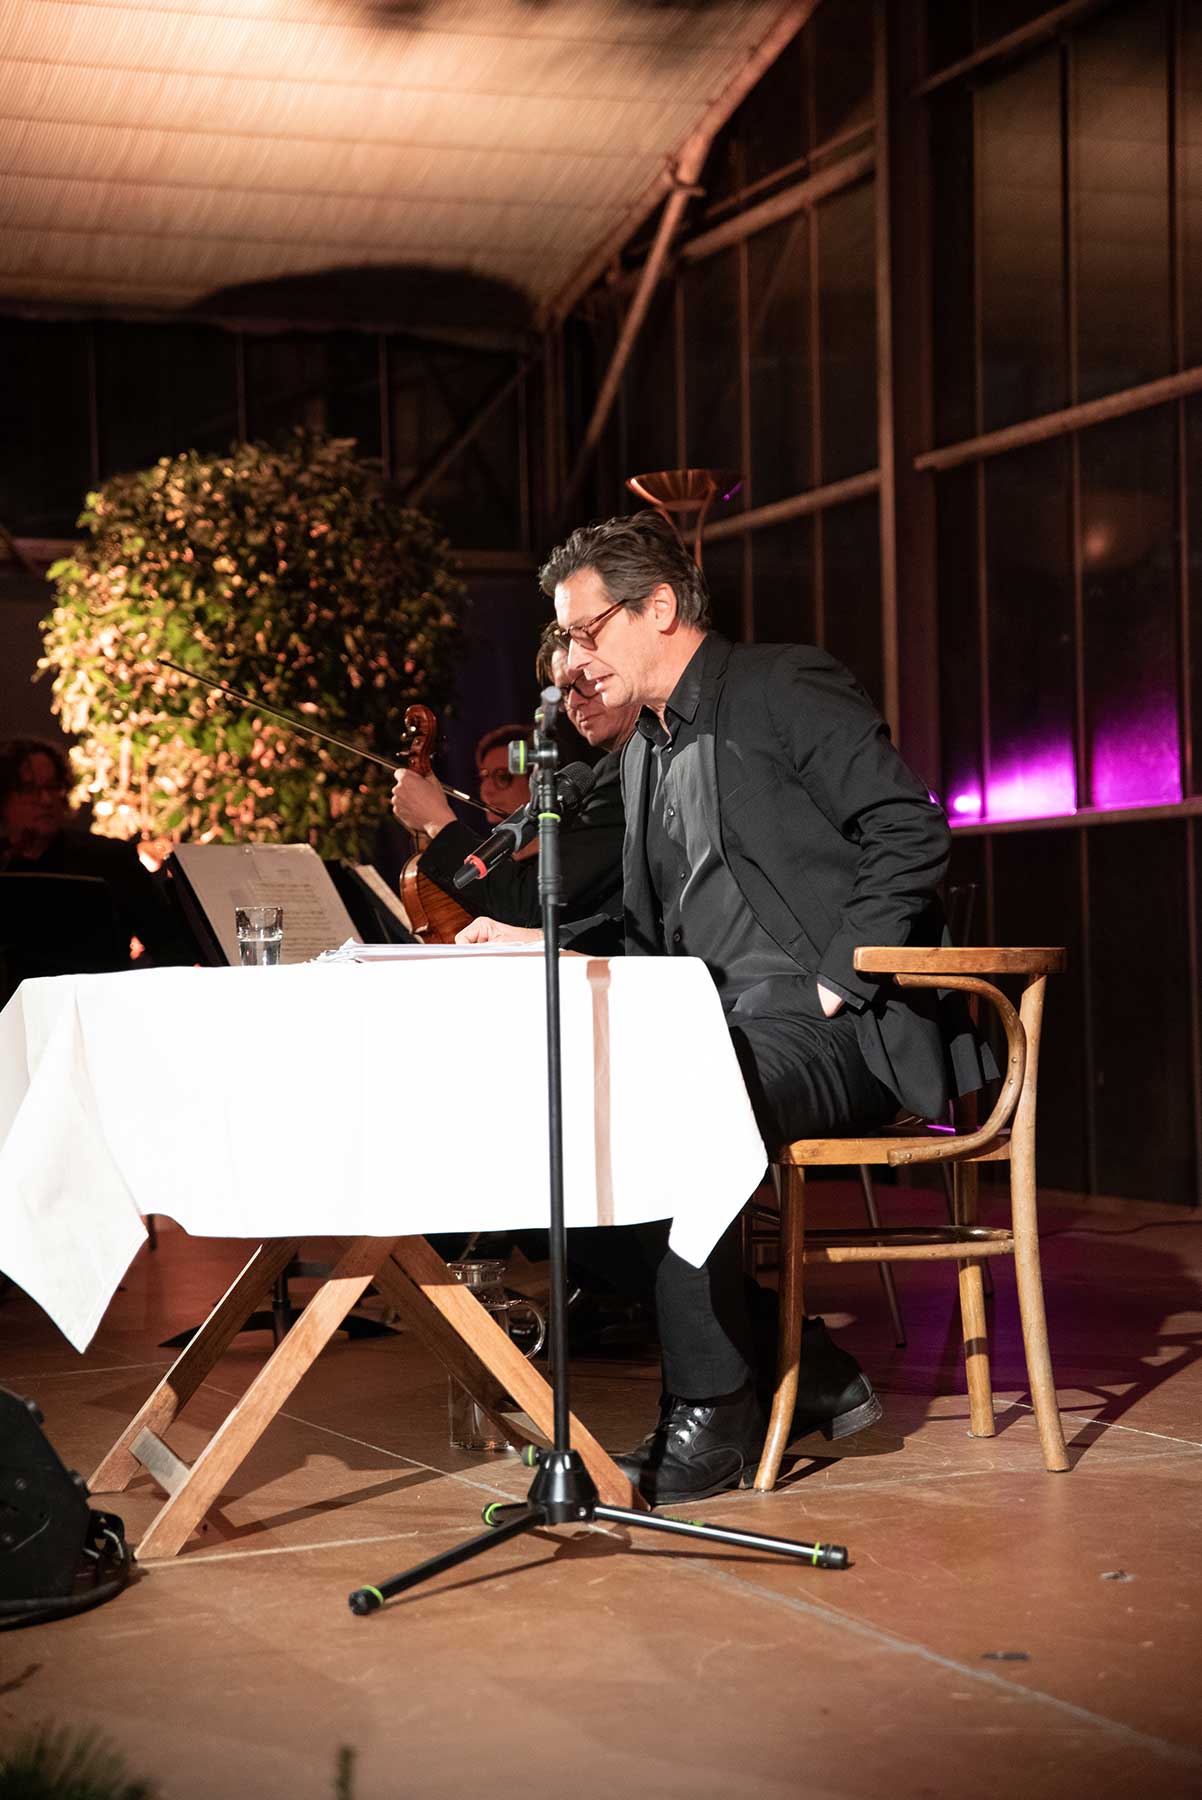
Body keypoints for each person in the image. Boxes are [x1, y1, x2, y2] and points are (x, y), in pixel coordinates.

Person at [473, 510, 989, 1507]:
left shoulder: (780, 685)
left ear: (659, 608)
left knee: (674, 1109)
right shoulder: (643, 751)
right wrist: (550, 949)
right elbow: (649, 934)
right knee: (558, 1135)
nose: (569, 662)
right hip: (712, 1026)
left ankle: (713, 1411)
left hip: (834, 1029)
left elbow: (906, 828)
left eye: (585, 632)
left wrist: (840, 979)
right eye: (563, 640)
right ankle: (800, 1363)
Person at [391, 635, 639, 940]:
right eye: (563, 691)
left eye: (584, 680)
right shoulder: (614, 768)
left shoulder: (624, 773)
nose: (573, 703)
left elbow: (532, 906)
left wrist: (437, 821)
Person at [0, 737, 191, 967]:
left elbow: (171, 949)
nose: (46, 800)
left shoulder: (111, 859)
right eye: (29, 789)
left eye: (53, 787)